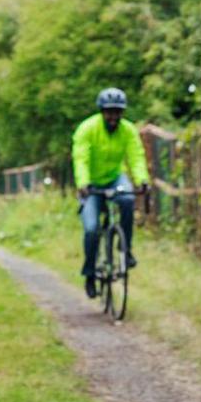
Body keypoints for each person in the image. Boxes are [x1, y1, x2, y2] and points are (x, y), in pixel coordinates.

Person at [71, 87, 150, 297]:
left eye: (117, 112)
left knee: (126, 200)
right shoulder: (87, 129)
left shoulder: (128, 130)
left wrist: (142, 180)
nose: (113, 116)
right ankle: (89, 274)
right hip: (91, 184)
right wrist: (83, 182)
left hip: (115, 178)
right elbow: (81, 158)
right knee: (91, 228)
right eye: (109, 112)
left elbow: (136, 156)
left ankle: (126, 250)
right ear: (102, 111)